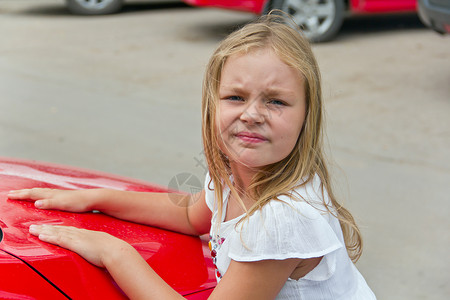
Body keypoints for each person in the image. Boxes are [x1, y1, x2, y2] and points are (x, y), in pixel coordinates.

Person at [8, 13, 376, 299]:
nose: (251, 114)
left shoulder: (282, 219)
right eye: (236, 97)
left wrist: (113, 252)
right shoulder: (237, 174)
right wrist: (97, 199)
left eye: (276, 101)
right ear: (211, 106)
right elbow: (190, 214)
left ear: (307, 117)